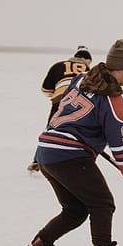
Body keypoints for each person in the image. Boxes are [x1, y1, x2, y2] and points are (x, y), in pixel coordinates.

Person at [6, 39, 123, 246]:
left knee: (74, 211)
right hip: (69, 155)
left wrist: (86, 139)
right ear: (120, 68)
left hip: (47, 152)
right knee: (103, 203)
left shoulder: (82, 80)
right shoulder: (114, 103)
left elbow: (61, 111)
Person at [26, 45, 93, 173]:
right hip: (81, 103)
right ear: (87, 60)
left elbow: (46, 90)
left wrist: (58, 95)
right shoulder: (89, 70)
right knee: (80, 130)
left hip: (60, 100)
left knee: (51, 129)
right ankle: (79, 160)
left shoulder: (58, 66)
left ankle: (37, 161)